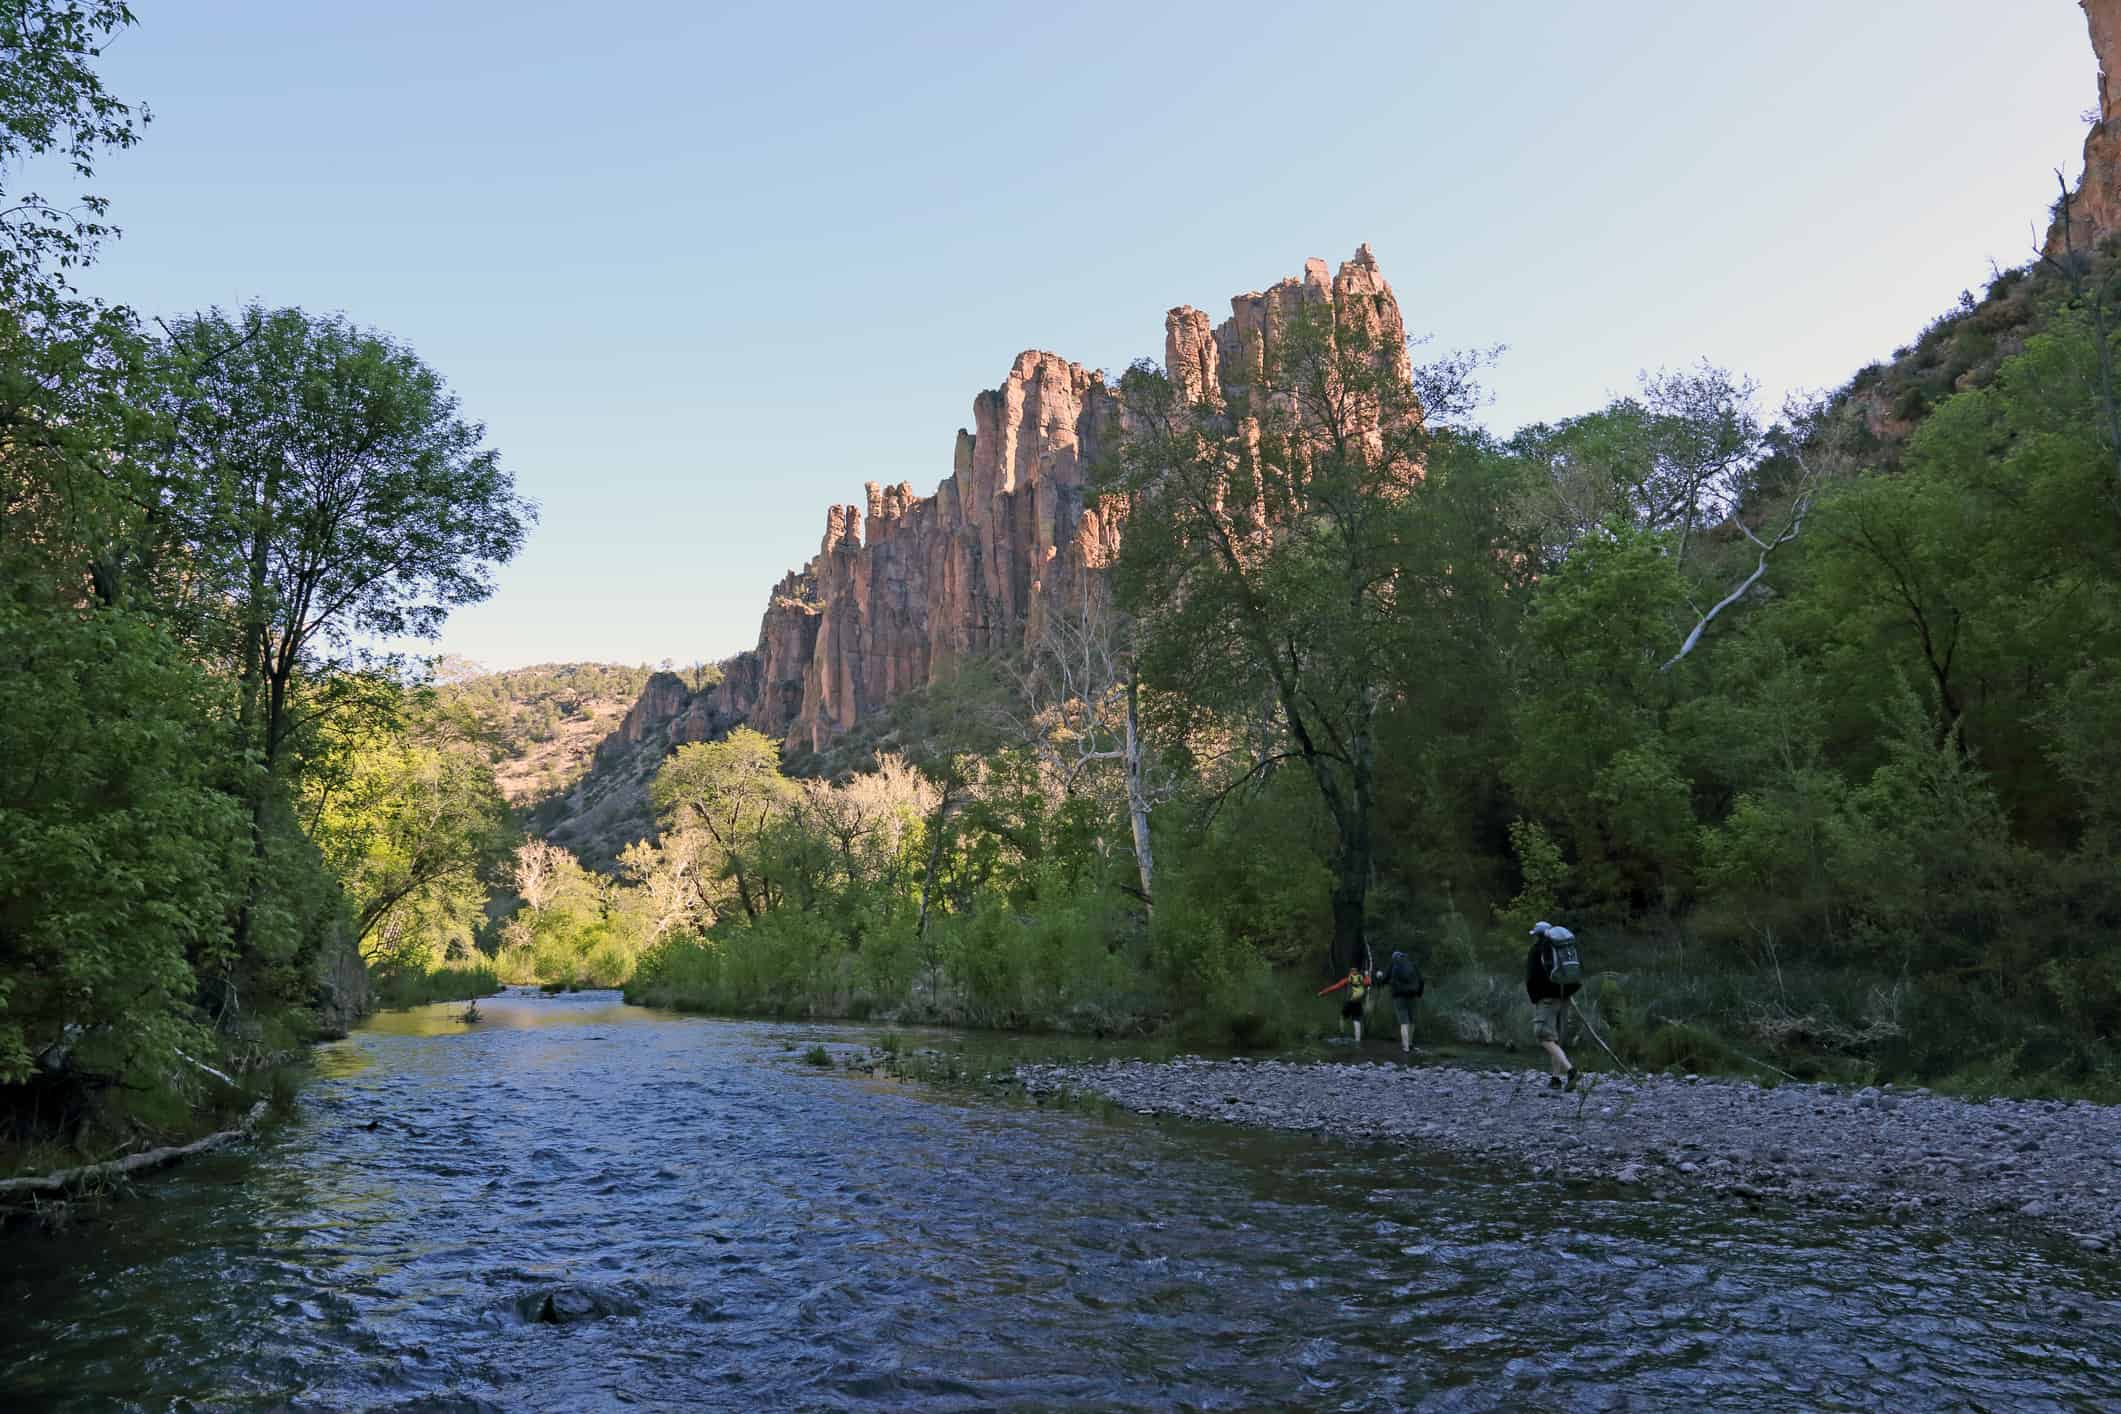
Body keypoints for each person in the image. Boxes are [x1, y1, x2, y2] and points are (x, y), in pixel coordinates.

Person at [1526, 921, 1582, 1090]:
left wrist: (1535, 997)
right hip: (1564, 997)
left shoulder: (1537, 950)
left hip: (1547, 1000)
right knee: (1555, 1039)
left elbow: (1532, 978)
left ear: (1538, 935)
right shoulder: (1562, 948)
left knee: (1543, 1035)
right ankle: (1555, 1079)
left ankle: (1571, 1070)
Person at [1317, 963, 1378, 1044]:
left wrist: (1322, 992)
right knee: (1356, 1021)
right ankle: (1358, 1040)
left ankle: (1342, 1035)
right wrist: (1367, 975)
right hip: (1358, 1003)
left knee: (1342, 1017)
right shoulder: (1361, 979)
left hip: (1349, 1002)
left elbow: (1335, 987)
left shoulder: (1347, 979)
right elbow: (1369, 982)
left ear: (1350, 972)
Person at [1384, 948, 1424, 1055]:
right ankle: (1410, 1044)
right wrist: (1419, 993)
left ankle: (1405, 1048)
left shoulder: (1393, 965)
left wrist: (1378, 978)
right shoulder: (1412, 964)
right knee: (1412, 1021)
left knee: (1404, 1022)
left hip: (1399, 997)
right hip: (1413, 995)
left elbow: (1385, 979)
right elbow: (1421, 980)